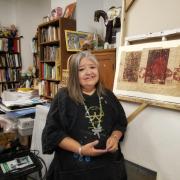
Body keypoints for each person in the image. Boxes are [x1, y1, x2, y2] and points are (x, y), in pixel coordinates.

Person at [42, 51, 128, 180]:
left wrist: (115, 137)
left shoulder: (108, 95)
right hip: (75, 169)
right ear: (74, 75)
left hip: (108, 167)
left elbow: (120, 122)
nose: (89, 72)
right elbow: (53, 133)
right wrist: (81, 149)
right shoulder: (63, 97)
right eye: (81, 69)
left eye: (92, 67)